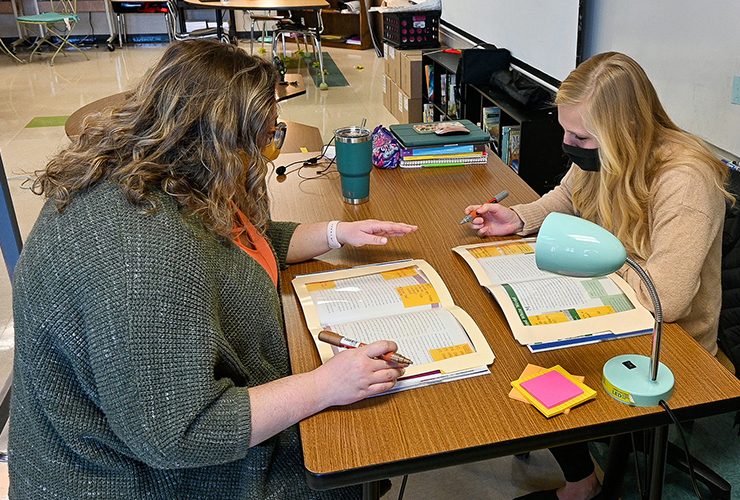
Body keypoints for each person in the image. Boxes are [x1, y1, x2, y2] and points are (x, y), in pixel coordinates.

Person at [9, 40, 417, 499]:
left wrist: (336, 233)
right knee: (353, 448)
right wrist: (323, 386)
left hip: (132, 444)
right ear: (221, 142)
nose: (269, 153)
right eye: (267, 137)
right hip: (135, 480)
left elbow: (239, 246)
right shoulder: (147, 248)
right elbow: (179, 433)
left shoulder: (149, 175)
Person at [463, 52, 733, 500]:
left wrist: (590, 260)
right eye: (565, 130)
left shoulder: (685, 180)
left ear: (625, 130)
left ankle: (581, 484)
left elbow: (665, 299)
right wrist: (518, 217)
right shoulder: (602, 152)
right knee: (510, 335)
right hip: (613, 296)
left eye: (580, 136)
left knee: (540, 358)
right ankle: (582, 476)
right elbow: (567, 198)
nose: (568, 143)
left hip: (669, 339)